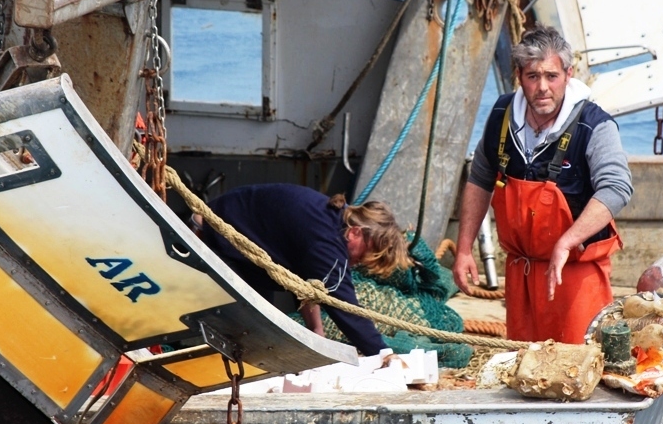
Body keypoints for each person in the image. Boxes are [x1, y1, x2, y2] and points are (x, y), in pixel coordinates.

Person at [452, 24, 633, 344]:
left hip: (576, 274)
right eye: (533, 76)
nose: (543, 87)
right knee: (527, 369)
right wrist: (464, 248)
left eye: (552, 76)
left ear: (568, 73)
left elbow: (616, 188)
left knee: (580, 367)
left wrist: (566, 242)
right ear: (519, 76)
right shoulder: (501, 116)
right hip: (521, 274)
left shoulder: (595, 125)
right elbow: (480, 178)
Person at [193, 183, 412, 356]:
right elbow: (347, 310)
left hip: (235, 240)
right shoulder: (327, 241)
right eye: (362, 256)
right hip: (213, 242)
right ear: (355, 233)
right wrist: (384, 356)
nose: (355, 264)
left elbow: (309, 282)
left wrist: (316, 330)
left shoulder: (330, 216)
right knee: (251, 337)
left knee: (260, 326)